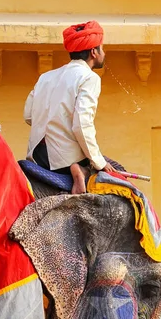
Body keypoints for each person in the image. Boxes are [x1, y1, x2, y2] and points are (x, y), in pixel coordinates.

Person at [24, 20, 115, 194]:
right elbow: (81, 125)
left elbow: (28, 115)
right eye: (102, 48)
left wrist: (50, 126)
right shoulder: (89, 78)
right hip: (64, 159)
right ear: (94, 52)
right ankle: (81, 170)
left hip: (37, 156)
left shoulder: (46, 77)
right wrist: (99, 162)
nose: (104, 52)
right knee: (102, 171)